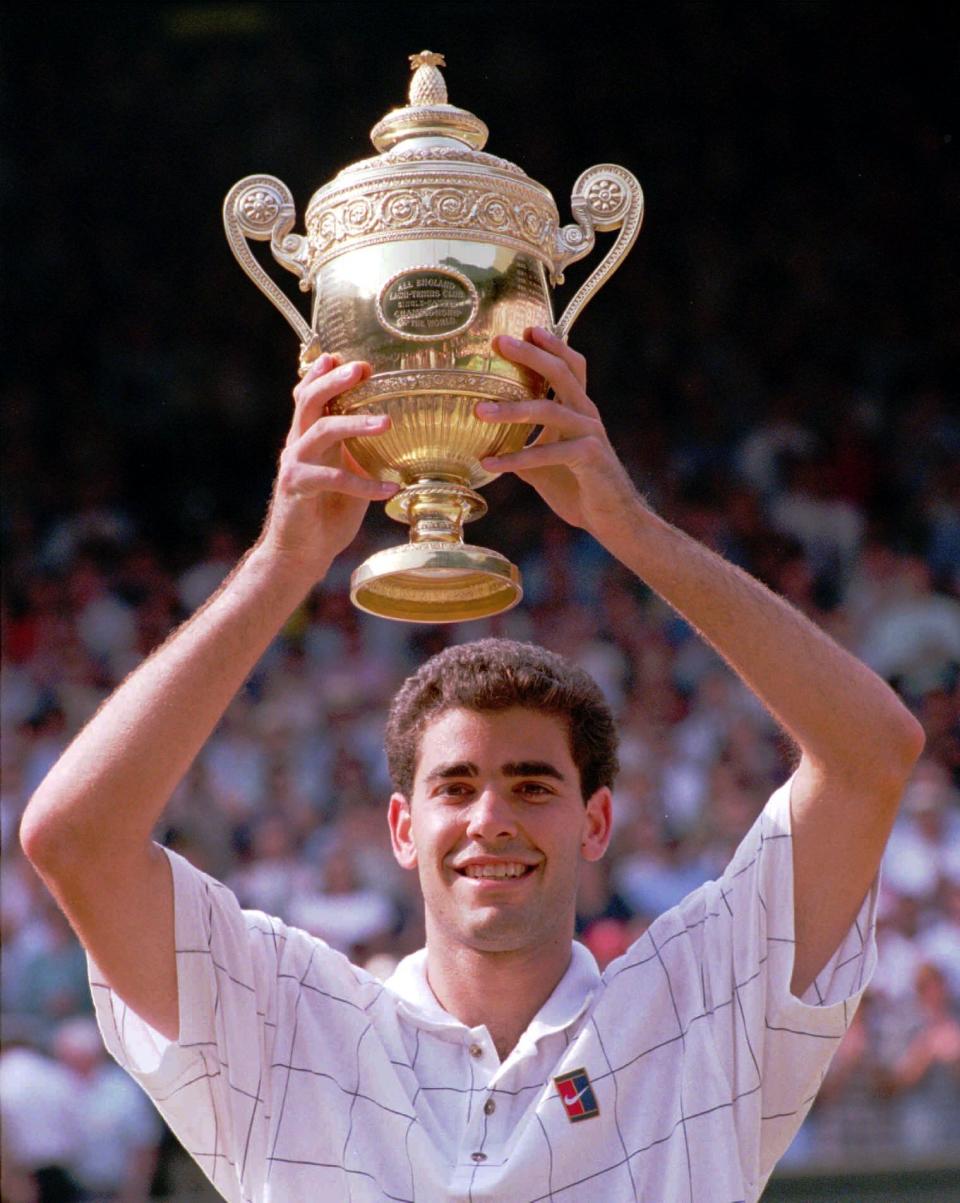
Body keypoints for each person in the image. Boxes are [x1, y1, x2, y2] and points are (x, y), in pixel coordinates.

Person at [21, 329, 924, 1202]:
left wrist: (630, 525)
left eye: (532, 783)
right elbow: (75, 837)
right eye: (455, 786)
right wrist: (280, 562)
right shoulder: (286, 1018)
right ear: (403, 828)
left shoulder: (703, 1010)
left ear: (596, 820)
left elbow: (872, 756)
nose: (491, 816)